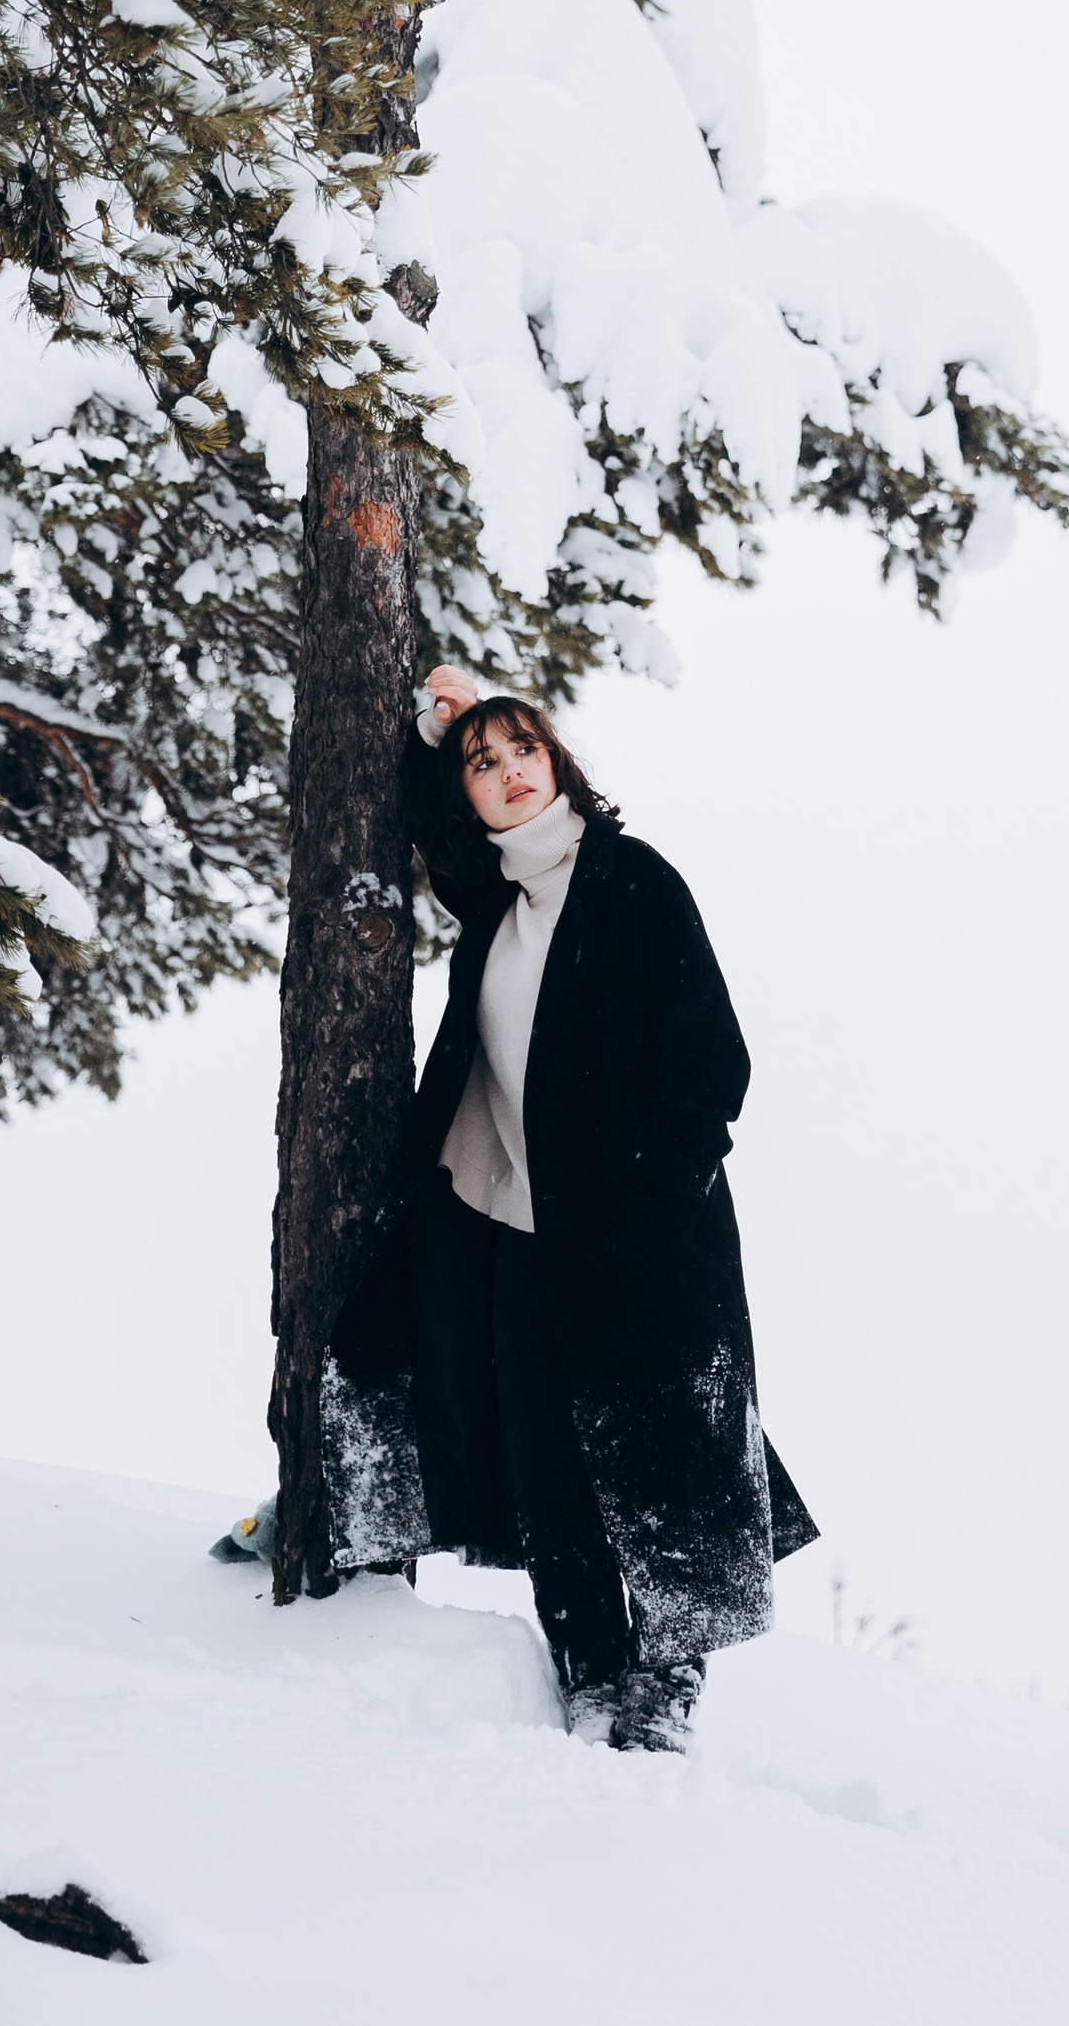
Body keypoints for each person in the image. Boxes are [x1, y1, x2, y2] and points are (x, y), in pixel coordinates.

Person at [328, 663, 815, 1751]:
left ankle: (668, 1683)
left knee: (661, 1448)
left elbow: (710, 1062)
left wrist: (650, 1191)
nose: (504, 774)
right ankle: (592, 1673)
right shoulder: (495, 902)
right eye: (480, 764)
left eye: (521, 752)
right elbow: (425, 814)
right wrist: (431, 727)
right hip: (516, 1236)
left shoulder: (631, 881)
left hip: (640, 1236)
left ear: (559, 763)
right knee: (548, 1467)